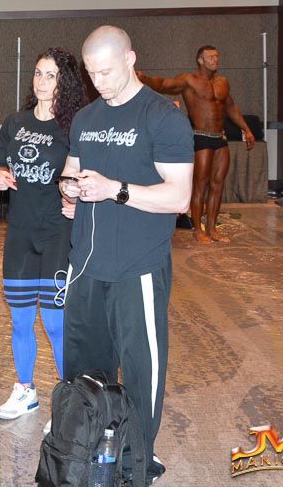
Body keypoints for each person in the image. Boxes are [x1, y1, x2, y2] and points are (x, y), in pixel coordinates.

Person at [59, 26, 193, 485]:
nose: (99, 82)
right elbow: (71, 171)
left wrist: (114, 190)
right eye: (91, 73)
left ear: (131, 59)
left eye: (107, 71)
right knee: (83, 371)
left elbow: (179, 197)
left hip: (138, 267)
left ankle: (138, 460)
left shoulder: (163, 117)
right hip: (85, 265)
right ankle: (85, 451)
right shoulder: (85, 118)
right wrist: (70, 189)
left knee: (140, 373)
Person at [0, 48, 88, 420]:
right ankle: (25, 390)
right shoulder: (15, 123)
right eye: (38, 73)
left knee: (56, 323)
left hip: (58, 233)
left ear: (64, 82)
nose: (42, 81)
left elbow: (89, 177)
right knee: (21, 319)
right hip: (20, 235)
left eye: (51, 75)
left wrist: (78, 199)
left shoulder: (74, 128)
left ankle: (70, 402)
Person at [137, 45, 254, 243]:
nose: (215, 60)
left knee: (218, 185)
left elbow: (231, 107)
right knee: (200, 185)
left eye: (216, 56)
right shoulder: (189, 81)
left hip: (220, 138)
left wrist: (246, 128)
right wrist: (145, 78)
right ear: (200, 60)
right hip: (201, 136)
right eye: (210, 57)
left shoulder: (223, 82)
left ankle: (212, 229)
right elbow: (164, 84)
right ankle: (198, 229)